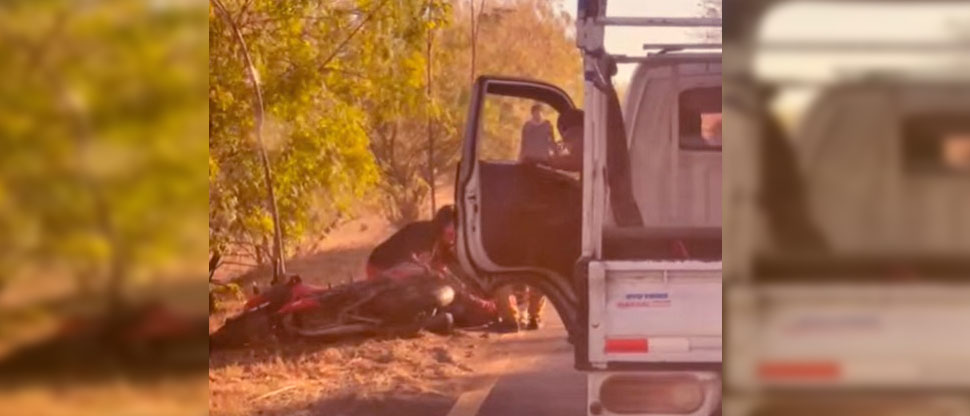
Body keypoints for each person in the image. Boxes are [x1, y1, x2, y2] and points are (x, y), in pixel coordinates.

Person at [366, 205, 456, 280]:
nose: (455, 233)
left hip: (400, 268)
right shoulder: (422, 232)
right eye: (452, 227)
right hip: (380, 266)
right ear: (442, 224)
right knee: (420, 271)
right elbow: (410, 260)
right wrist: (430, 271)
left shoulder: (443, 243)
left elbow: (443, 267)